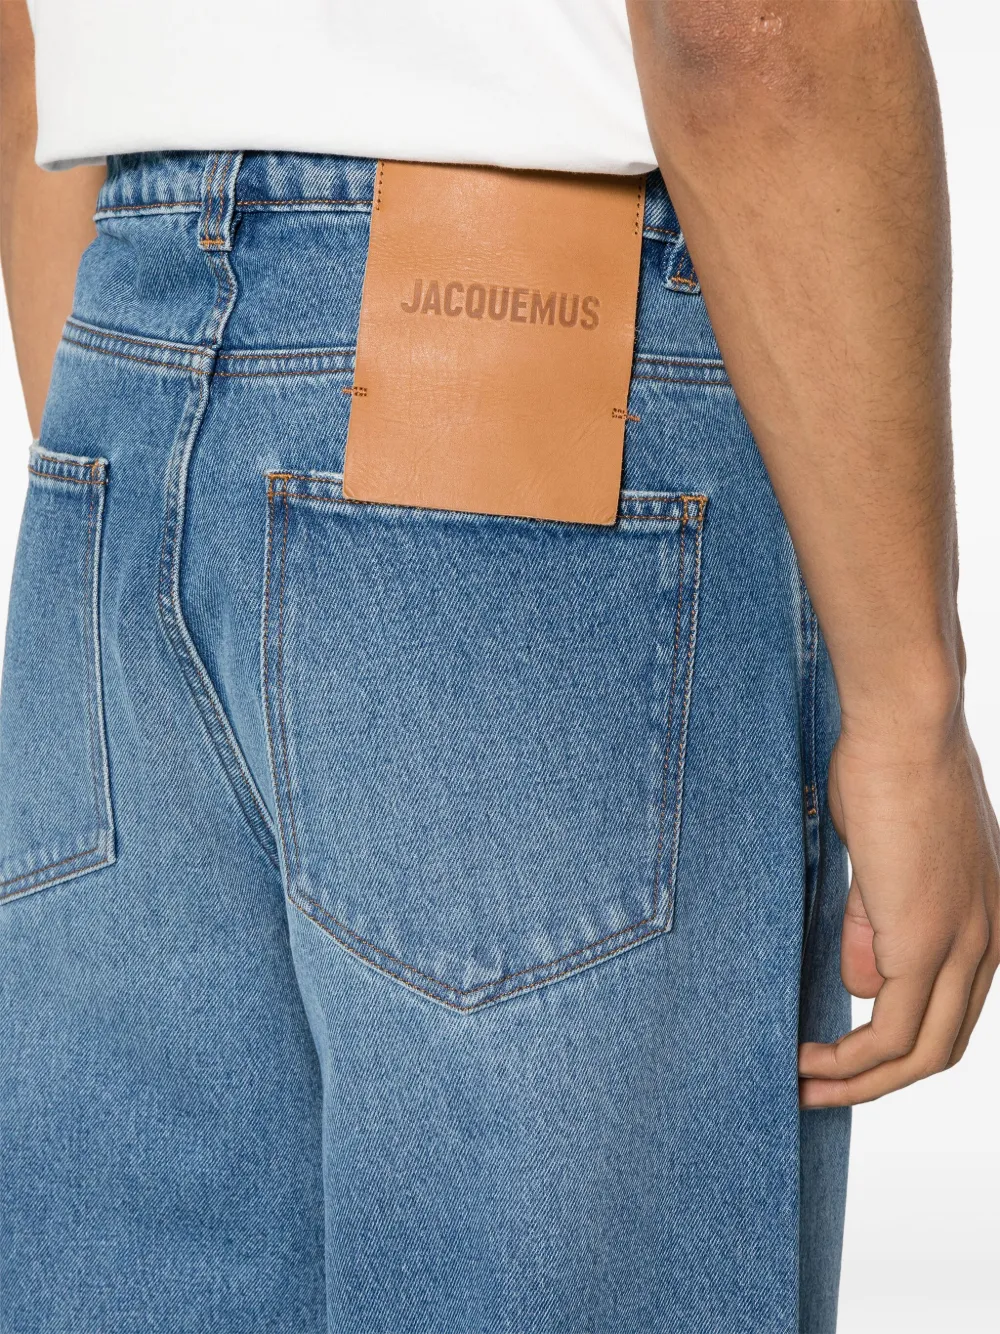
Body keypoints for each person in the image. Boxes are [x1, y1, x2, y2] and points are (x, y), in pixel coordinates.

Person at [0, 1, 996, 1331]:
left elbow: (26, 54)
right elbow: (750, 27)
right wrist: (910, 708)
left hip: (119, 389)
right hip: (530, 406)